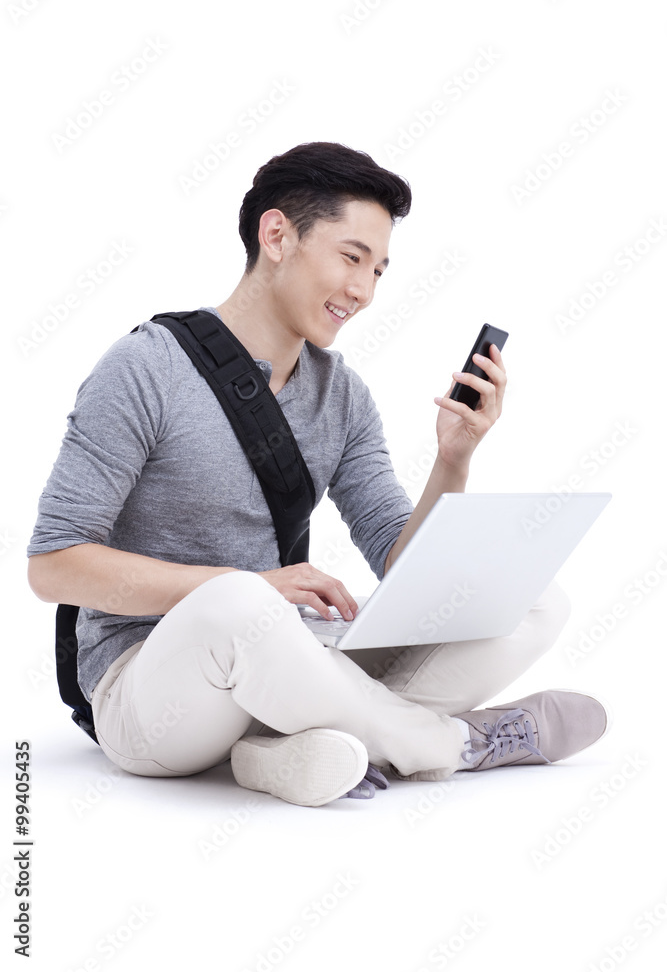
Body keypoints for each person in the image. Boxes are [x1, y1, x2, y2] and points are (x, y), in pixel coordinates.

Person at [26, 141, 608, 808]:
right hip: (148, 692)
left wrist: (454, 458)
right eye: (350, 257)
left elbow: (405, 567)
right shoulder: (144, 369)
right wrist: (253, 586)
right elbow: (55, 566)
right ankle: (455, 745)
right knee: (237, 604)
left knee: (532, 596)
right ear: (277, 235)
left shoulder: (342, 395)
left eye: (379, 271)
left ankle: (281, 751)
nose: (361, 291)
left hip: (288, 662)